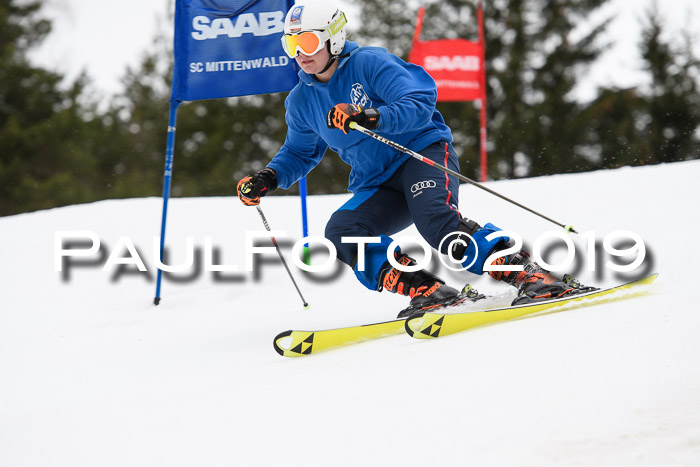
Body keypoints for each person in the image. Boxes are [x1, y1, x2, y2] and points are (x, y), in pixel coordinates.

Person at [237, 0, 589, 317]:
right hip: (378, 181)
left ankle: (532, 276)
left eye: (308, 42)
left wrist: (369, 115)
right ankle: (428, 289)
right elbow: (300, 151)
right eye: (291, 45)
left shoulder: (369, 63)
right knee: (344, 231)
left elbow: (420, 100)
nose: (300, 53)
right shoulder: (301, 100)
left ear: (334, 38)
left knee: (436, 221)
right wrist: (268, 177)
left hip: (421, 153)